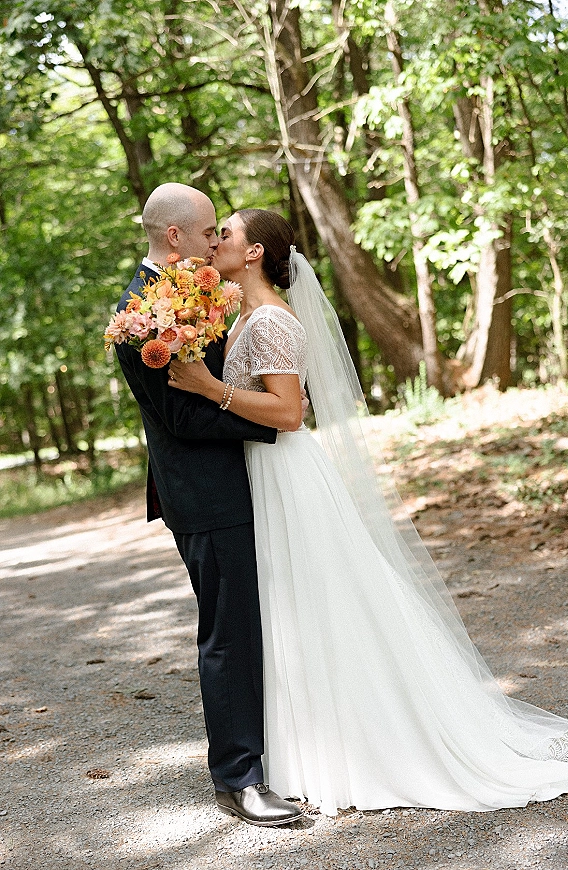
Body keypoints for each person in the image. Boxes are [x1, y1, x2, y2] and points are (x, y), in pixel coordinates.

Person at [168, 208, 568, 816]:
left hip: (285, 471)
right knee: (287, 605)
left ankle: (365, 741)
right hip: (259, 473)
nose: (214, 241)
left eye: (224, 233)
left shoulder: (273, 320)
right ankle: (300, 742)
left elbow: (287, 413)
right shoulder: (243, 315)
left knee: (320, 601)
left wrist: (209, 389)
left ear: (254, 252)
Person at [114, 185, 303, 826]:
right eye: (208, 231)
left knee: (253, 623)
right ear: (176, 237)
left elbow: (234, 378)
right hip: (205, 492)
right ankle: (239, 778)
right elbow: (181, 416)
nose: (214, 240)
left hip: (243, 484)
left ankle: (273, 753)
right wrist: (272, 424)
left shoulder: (191, 296)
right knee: (228, 634)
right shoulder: (139, 315)